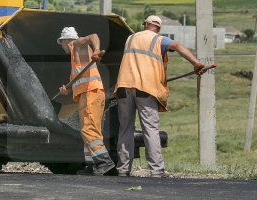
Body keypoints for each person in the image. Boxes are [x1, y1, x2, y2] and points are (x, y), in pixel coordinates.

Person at [114, 15, 207, 178]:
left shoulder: (130, 38)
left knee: (125, 129)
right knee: (150, 129)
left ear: (145, 25)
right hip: (145, 88)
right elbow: (176, 45)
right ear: (158, 28)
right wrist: (196, 63)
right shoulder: (158, 40)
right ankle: (156, 170)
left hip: (123, 87)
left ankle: (123, 168)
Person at [57, 27, 116, 176]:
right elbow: (78, 80)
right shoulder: (75, 57)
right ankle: (92, 164)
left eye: (61, 43)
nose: (62, 46)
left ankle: (104, 162)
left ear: (65, 41)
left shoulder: (77, 45)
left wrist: (96, 50)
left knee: (88, 129)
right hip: (87, 94)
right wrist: (67, 90)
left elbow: (93, 35)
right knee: (88, 130)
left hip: (91, 93)